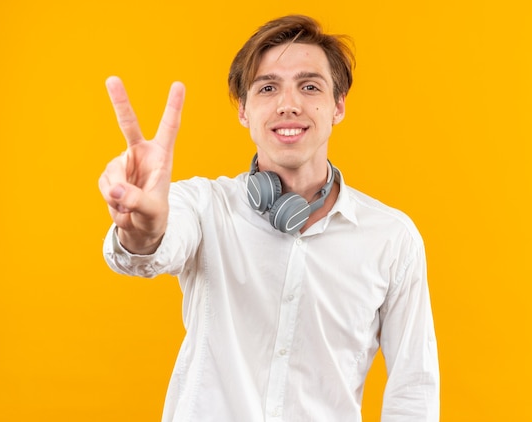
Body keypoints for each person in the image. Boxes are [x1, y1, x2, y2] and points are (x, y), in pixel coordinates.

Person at [99, 14, 439, 422]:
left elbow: (413, 390)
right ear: (243, 110)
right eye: (267, 88)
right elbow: (150, 250)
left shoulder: (391, 238)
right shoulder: (204, 206)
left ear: (338, 106)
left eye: (310, 86)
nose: (289, 104)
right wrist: (143, 231)